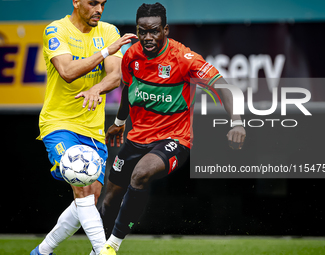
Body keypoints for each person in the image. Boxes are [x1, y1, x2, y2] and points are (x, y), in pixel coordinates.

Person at [98, 3, 246, 255]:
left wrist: (237, 122)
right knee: (108, 201)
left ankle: (113, 245)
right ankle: (99, 248)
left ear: (165, 29)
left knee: (140, 174)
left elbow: (224, 87)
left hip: (175, 139)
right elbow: (127, 91)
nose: (147, 37)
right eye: (142, 31)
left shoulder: (184, 59)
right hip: (136, 139)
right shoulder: (131, 56)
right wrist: (120, 123)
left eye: (153, 31)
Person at [30, 0, 136, 254]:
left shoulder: (108, 32)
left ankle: (42, 252)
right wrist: (105, 52)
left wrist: (97, 87)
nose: (99, 9)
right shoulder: (56, 30)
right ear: (76, 2)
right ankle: (102, 251)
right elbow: (66, 71)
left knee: (89, 198)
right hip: (59, 123)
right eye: (92, 3)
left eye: (103, 3)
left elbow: (115, 75)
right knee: (83, 188)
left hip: (93, 129)